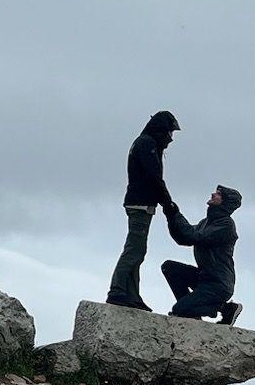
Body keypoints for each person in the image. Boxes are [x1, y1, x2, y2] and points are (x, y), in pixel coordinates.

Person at [105, 110, 180, 311]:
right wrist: (168, 203)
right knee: (135, 249)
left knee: (138, 249)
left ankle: (131, 294)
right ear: (162, 130)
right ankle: (117, 290)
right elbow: (154, 177)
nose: (170, 138)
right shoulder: (147, 144)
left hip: (139, 203)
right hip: (140, 204)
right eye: (170, 132)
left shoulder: (144, 142)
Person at [162, 185, 245, 325]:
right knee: (169, 267)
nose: (213, 194)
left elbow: (194, 236)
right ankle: (189, 309)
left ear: (225, 202)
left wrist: (176, 214)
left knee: (178, 310)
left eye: (218, 194)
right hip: (204, 278)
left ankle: (225, 308)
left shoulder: (226, 225)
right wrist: (171, 216)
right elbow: (184, 238)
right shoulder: (205, 223)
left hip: (218, 285)